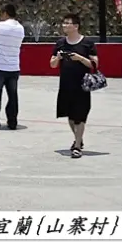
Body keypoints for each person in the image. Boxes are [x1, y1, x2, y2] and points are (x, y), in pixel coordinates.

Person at [50, 13, 98, 159]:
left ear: (76, 26)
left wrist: (80, 58)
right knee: (70, 117)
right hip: (65, 84)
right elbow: (52, 65)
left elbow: (94, 64)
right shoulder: (60, 43)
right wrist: (58, 58)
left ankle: (77, 146)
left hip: (82, 84)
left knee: (80, 116)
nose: (65, 26)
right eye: (63, 23)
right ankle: (79, 138)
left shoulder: (87, 43)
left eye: (68, 23)